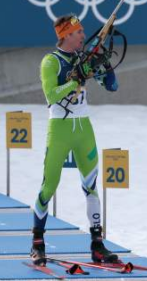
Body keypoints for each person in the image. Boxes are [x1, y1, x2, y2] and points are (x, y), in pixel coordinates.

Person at [30, 14, 120, 266]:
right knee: (49, 186)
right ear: (66, 35)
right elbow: (51, 95)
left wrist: (104, 63)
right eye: (78, 32)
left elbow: (112, 86)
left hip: (84, 128)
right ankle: (37, 243)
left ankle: (97, 245)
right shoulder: (50, 61)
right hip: (60, 128)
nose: (83, 35)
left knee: (91, 186)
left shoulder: (84, 58)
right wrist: (75, 80)